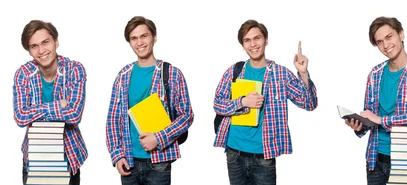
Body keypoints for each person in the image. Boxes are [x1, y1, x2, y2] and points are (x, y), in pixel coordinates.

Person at [212, 19, 318, 185]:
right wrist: (242, 102)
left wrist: (303, 73)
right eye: (247, 40)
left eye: (257, 38)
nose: (253, 44)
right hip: (234, 153)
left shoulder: (281, 74)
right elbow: (218, 104)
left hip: (263, 156)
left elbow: (309, 104)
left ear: (266, 40)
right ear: (243, 45)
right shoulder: (234, 71)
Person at [344, 16, 407, 185]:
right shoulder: (375, 74)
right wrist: (359, 126)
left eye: (389, 37)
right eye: (379, 42)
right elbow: (371, 117)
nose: (385, 45)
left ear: (401, 34)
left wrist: (382, 120)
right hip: (375, 161)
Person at [105, 16, 194, 185]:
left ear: (154, 37)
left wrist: (159, 138)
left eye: (144, 36)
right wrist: (117, 155)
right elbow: (113, 119)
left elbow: (186, 116)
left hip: (159, 162)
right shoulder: (123, 75)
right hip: (128, 161)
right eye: (134, 38)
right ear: (130, 42)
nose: (139, 42)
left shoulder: (172, 74)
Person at [14, 20, 88, 185]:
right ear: (29, 51)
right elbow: (20, 116)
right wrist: (58, 105)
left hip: (68, 156)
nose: (41, 51)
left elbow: (74, 114)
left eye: (45, 42)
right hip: (34, 157)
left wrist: (34, 111)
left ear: (56, 41)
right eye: (34, 46)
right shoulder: (23, 73)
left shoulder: (75, 69)